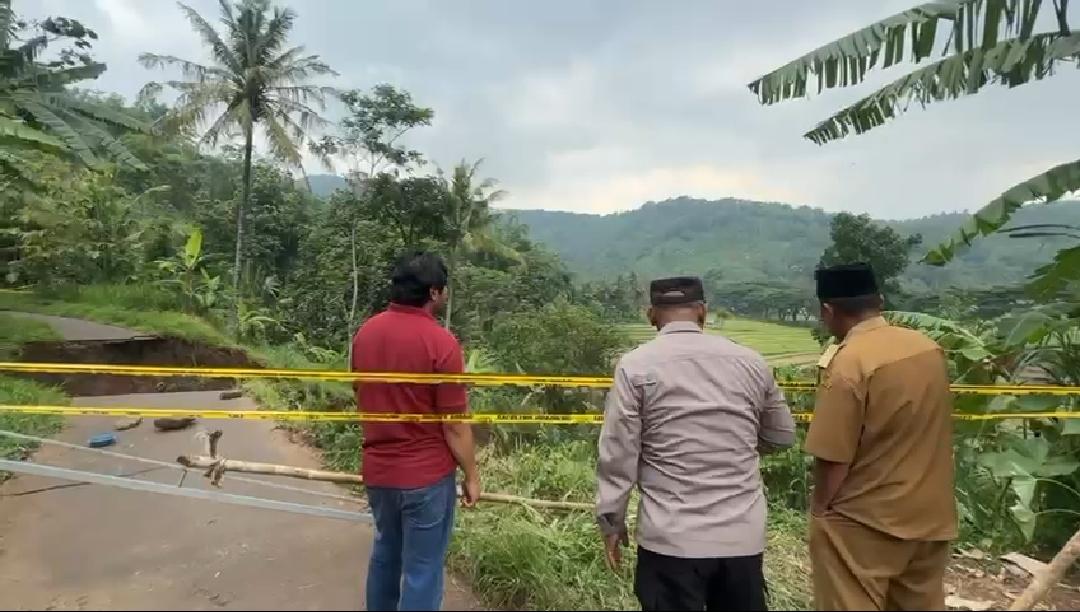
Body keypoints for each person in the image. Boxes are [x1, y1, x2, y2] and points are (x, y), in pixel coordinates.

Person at [596, 276, 796, 611]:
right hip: (741, 537)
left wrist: (610, 522)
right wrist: (735, 446)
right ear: (702, 311)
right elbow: (782, 436)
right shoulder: (750, 361)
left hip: (670, 538)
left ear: (651, 315)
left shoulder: (635, 366)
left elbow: (618, 455)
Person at [806, 262, 956, 611]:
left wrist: (821, 513)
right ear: (880, 301)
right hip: (931, 516)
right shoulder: (926, 348)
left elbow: (833, 457)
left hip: (865, 521)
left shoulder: (850, 362)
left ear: (828, 310)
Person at [351, 251, 480, 612]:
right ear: (435, 293)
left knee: (385, 556)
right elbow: (454, 423)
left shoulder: (365, 333)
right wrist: (472, 474)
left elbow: (360, 392)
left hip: (379, 472)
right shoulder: (441, 343)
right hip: (425, 479)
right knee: (423, 569)